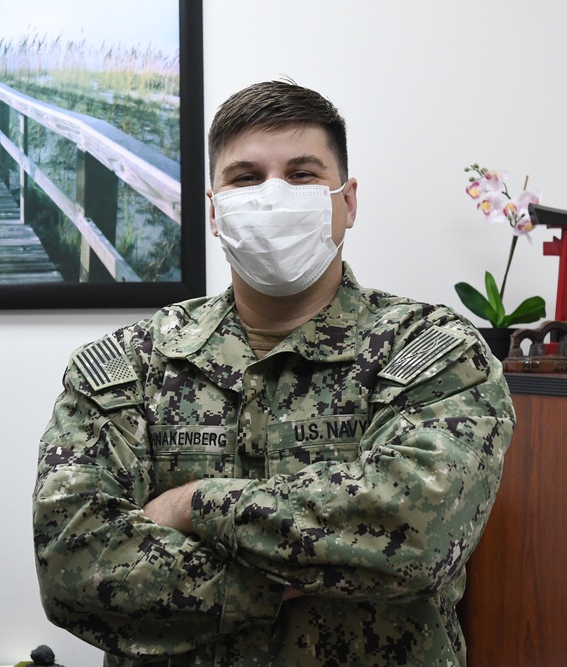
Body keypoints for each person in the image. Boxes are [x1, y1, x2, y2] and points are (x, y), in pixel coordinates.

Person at [33, 80, 515, 667]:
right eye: (245, 178)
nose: (273, 195)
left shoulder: (432, 354)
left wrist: (192, 505)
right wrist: (304, 574)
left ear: (349, 201)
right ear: (214, 210)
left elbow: (416, 532)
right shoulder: (130, 367)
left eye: (303, 173)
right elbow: (72, 564)